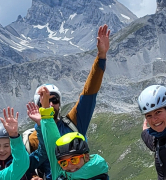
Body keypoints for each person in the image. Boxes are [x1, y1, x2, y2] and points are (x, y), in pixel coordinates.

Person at [26, 24, 110, 156]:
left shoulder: (73, 123)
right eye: (46, 102)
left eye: (54, 100)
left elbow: (89, 93)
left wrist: (101, 56)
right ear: (38, 107)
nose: (51, 104)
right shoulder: (33, 139)